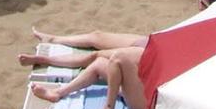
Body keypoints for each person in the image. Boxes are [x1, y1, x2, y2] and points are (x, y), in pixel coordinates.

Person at [30, 46, 147, 109]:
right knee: (100, 62)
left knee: (118, 58)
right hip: (146, 90)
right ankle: (57, 93)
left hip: (148, 106)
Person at [18, 27, 146, 70]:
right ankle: (53, 39)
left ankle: (45, 60)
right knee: (97, 36)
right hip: (155, 42)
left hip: (152, 54)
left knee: (95, 57)